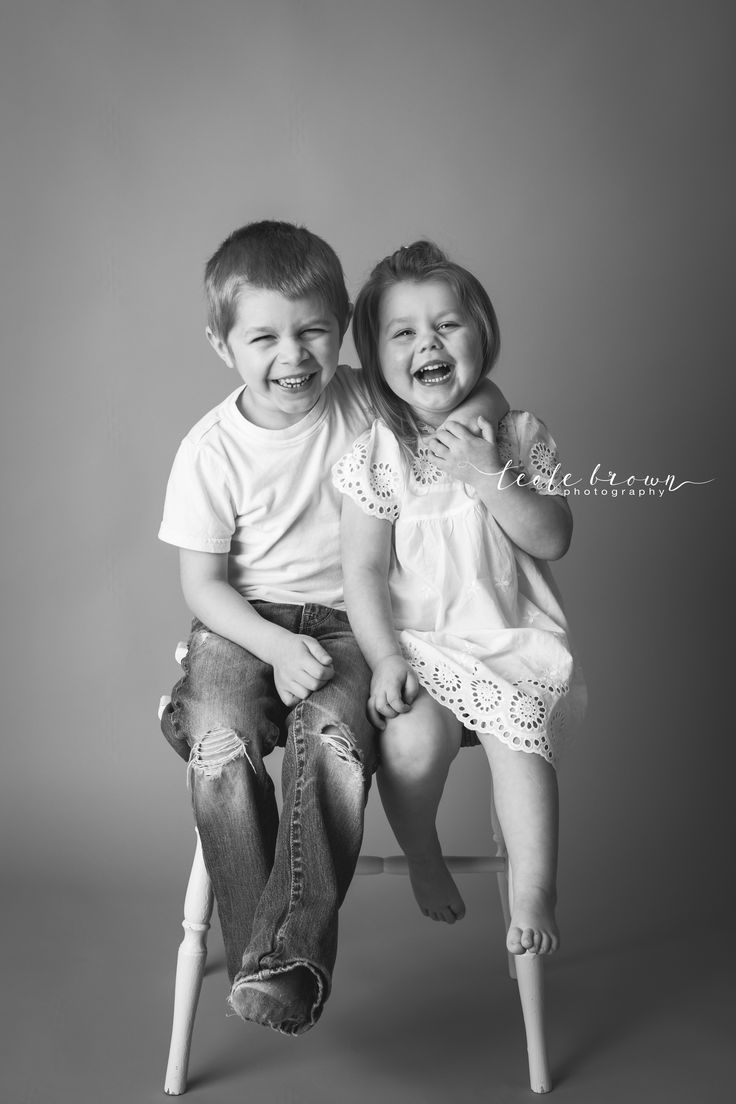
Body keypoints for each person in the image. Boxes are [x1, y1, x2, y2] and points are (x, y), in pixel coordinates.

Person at [158, 222, 508, 1035]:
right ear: (222, 345)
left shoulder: (361, 397)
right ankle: (266, 940)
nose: (295, 355)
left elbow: (470, 393)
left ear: (342, 327)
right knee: (220, 739)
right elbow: (203, 586)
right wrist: (275, 647)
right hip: (245, 626)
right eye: (265, 338)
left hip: (357, 626)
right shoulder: (211, 451)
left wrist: (482, 414)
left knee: (334, 741)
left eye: (314, 330)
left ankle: (282, 963)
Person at [333, 241, 586, 956]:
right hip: (418, 645)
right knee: (414, 740)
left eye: (447, 325)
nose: (429, 343)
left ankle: (536, 887)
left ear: (482, 335)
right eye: (404, 333)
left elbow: (554, 536)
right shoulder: (376, 456)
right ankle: (422, 854)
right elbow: (362, 573)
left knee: (520, 737)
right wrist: (383, 659)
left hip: (505, 641)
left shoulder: (515, 435)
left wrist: (485, 473)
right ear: (377, 358)